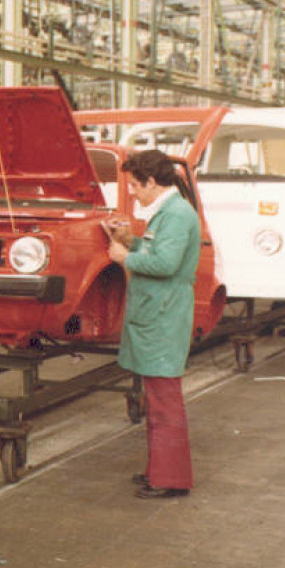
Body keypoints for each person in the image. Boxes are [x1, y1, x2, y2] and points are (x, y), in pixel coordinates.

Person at [105, 149, 202, 499]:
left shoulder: (175, 214)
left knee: (164, 401)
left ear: (150, 182)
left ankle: (170, 479)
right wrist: (129, 239)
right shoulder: (169, 212)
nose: (132, 192)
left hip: (164, 316)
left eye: (134, 185)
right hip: (159, 314)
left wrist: (124, 257)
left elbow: (165, 264)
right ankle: (160, 471)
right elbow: (156, 251)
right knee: (158, 399)